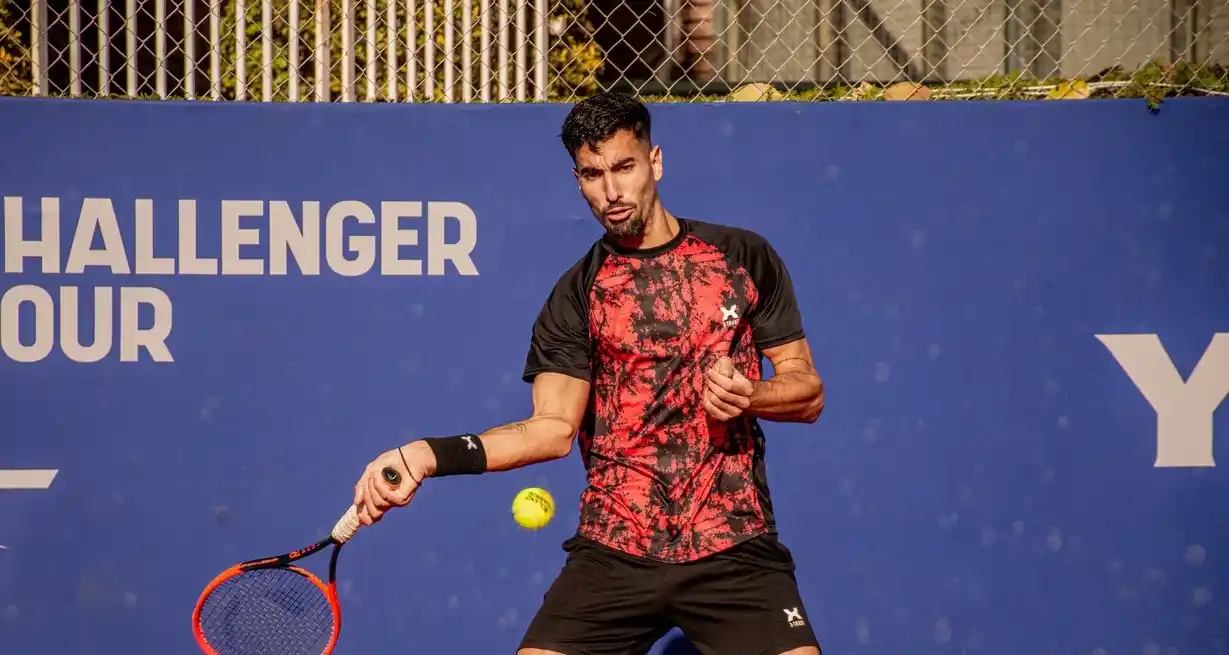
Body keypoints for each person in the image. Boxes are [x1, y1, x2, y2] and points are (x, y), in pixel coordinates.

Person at [352, 91, 825, 655]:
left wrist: (753, 394)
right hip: (615, 548)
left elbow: (807, 392)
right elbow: (551, 429)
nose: (611, 191)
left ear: (654, 162)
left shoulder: (742, 257)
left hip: (734, 544)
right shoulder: (576, 294)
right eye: (593, 175)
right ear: (578, 180)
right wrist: (426, 455)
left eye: (624, 167)